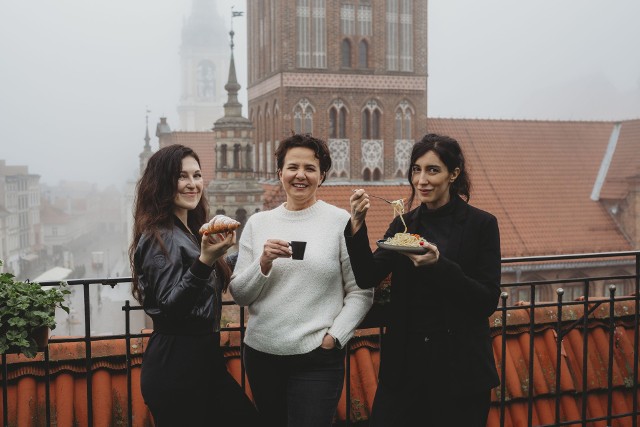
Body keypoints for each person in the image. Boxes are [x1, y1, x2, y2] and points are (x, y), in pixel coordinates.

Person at [347, 134, 501, 426]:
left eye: (433, 170)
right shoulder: (405, 223)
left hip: (460, 371)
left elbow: (486, 300)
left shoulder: (482, 225)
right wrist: (356, 224)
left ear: (453, 174)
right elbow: (367, 275)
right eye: (416, 169)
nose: (421, 180)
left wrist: (439, 265)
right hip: (405, 369)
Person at [229, 133, 374, 427]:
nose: (301, 175)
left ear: (322, 176)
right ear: (279, 172)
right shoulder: (258, 223)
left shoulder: (340, 221)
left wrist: (336, 338)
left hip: (317, 359)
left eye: (310, 168)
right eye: (293, 167)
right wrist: (263, 263)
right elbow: (240, 295)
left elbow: (362, 291)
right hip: (262, 355)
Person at [129, 144, 259, 427]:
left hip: (200, 361)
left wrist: (253, 253)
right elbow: (170, 309)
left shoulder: (184, 231)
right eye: (181, 176)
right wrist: (205, 260)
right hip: (177, 366)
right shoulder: (158, 237)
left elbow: (207, 274)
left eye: (197, 175)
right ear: (162, 182)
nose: (192, 184)